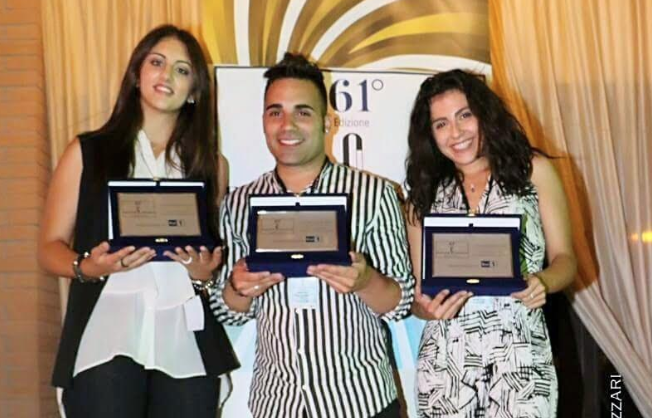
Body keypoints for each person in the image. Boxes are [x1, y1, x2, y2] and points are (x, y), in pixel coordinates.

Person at [37, 24, 238, 418]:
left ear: (195, 90)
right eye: (157, 62)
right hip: (106, 329)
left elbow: (209, 263)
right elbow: (48, 248)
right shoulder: (88, 152)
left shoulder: (211, 166)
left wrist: (203, 274)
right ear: (137, 74)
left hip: (185, 333)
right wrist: (88, 267)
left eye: (182, 70)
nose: (167, 75)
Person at [210, 52, 415, 418]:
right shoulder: (239, 203)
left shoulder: (374, 194)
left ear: (327, 122)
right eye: (275, 112)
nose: (287, 125)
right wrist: (238, 288)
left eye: (302, 112)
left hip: (360, 400)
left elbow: (400, 302)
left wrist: (365, 281)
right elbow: (228, 311)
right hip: (278, 402)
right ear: (263, 121)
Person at [404, 70, 577, 418]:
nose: (456, 133)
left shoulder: (533, 171)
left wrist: (543, 281)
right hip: (445, 366)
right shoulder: (422, 196)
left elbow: (566, 259)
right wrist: (426, 308)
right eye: (441, 124)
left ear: (485, 114)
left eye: (464, 115)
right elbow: (421, 296)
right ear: (429, 134)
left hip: (520, 359)